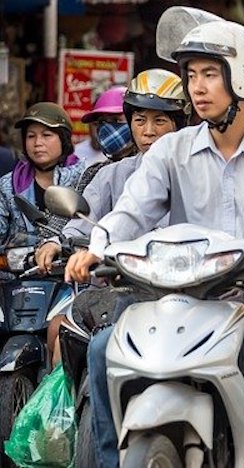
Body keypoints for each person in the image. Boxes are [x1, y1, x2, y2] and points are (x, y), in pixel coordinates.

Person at [64, 16, 244, 468]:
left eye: (210, 74)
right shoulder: (170, 151)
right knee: (102, 350)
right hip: (178, 297)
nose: (197, 87)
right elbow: (132, 210)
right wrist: (98, 245)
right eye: (191, 75)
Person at [35, 68, 189, 366]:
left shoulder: (200, 172)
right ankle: (71, 412)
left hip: (188, 292)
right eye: (139, 120)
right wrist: (57, 242)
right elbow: (82, 217)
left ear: (179, 125)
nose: (148, 131)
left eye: (160, 121)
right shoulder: (111, 174)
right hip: (122, 288)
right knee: (72, 335)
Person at [0, 102, 85, 243]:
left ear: (63, 140)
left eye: (46, 135)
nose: (37, 142)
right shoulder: (8, 184)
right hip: (22, 263)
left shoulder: (84, 178)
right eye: (31, 136)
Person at [76, 86, 137, 166]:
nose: (107, 128)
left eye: (116, 120)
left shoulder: (149, 166)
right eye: (101, 122)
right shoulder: (95, 172)